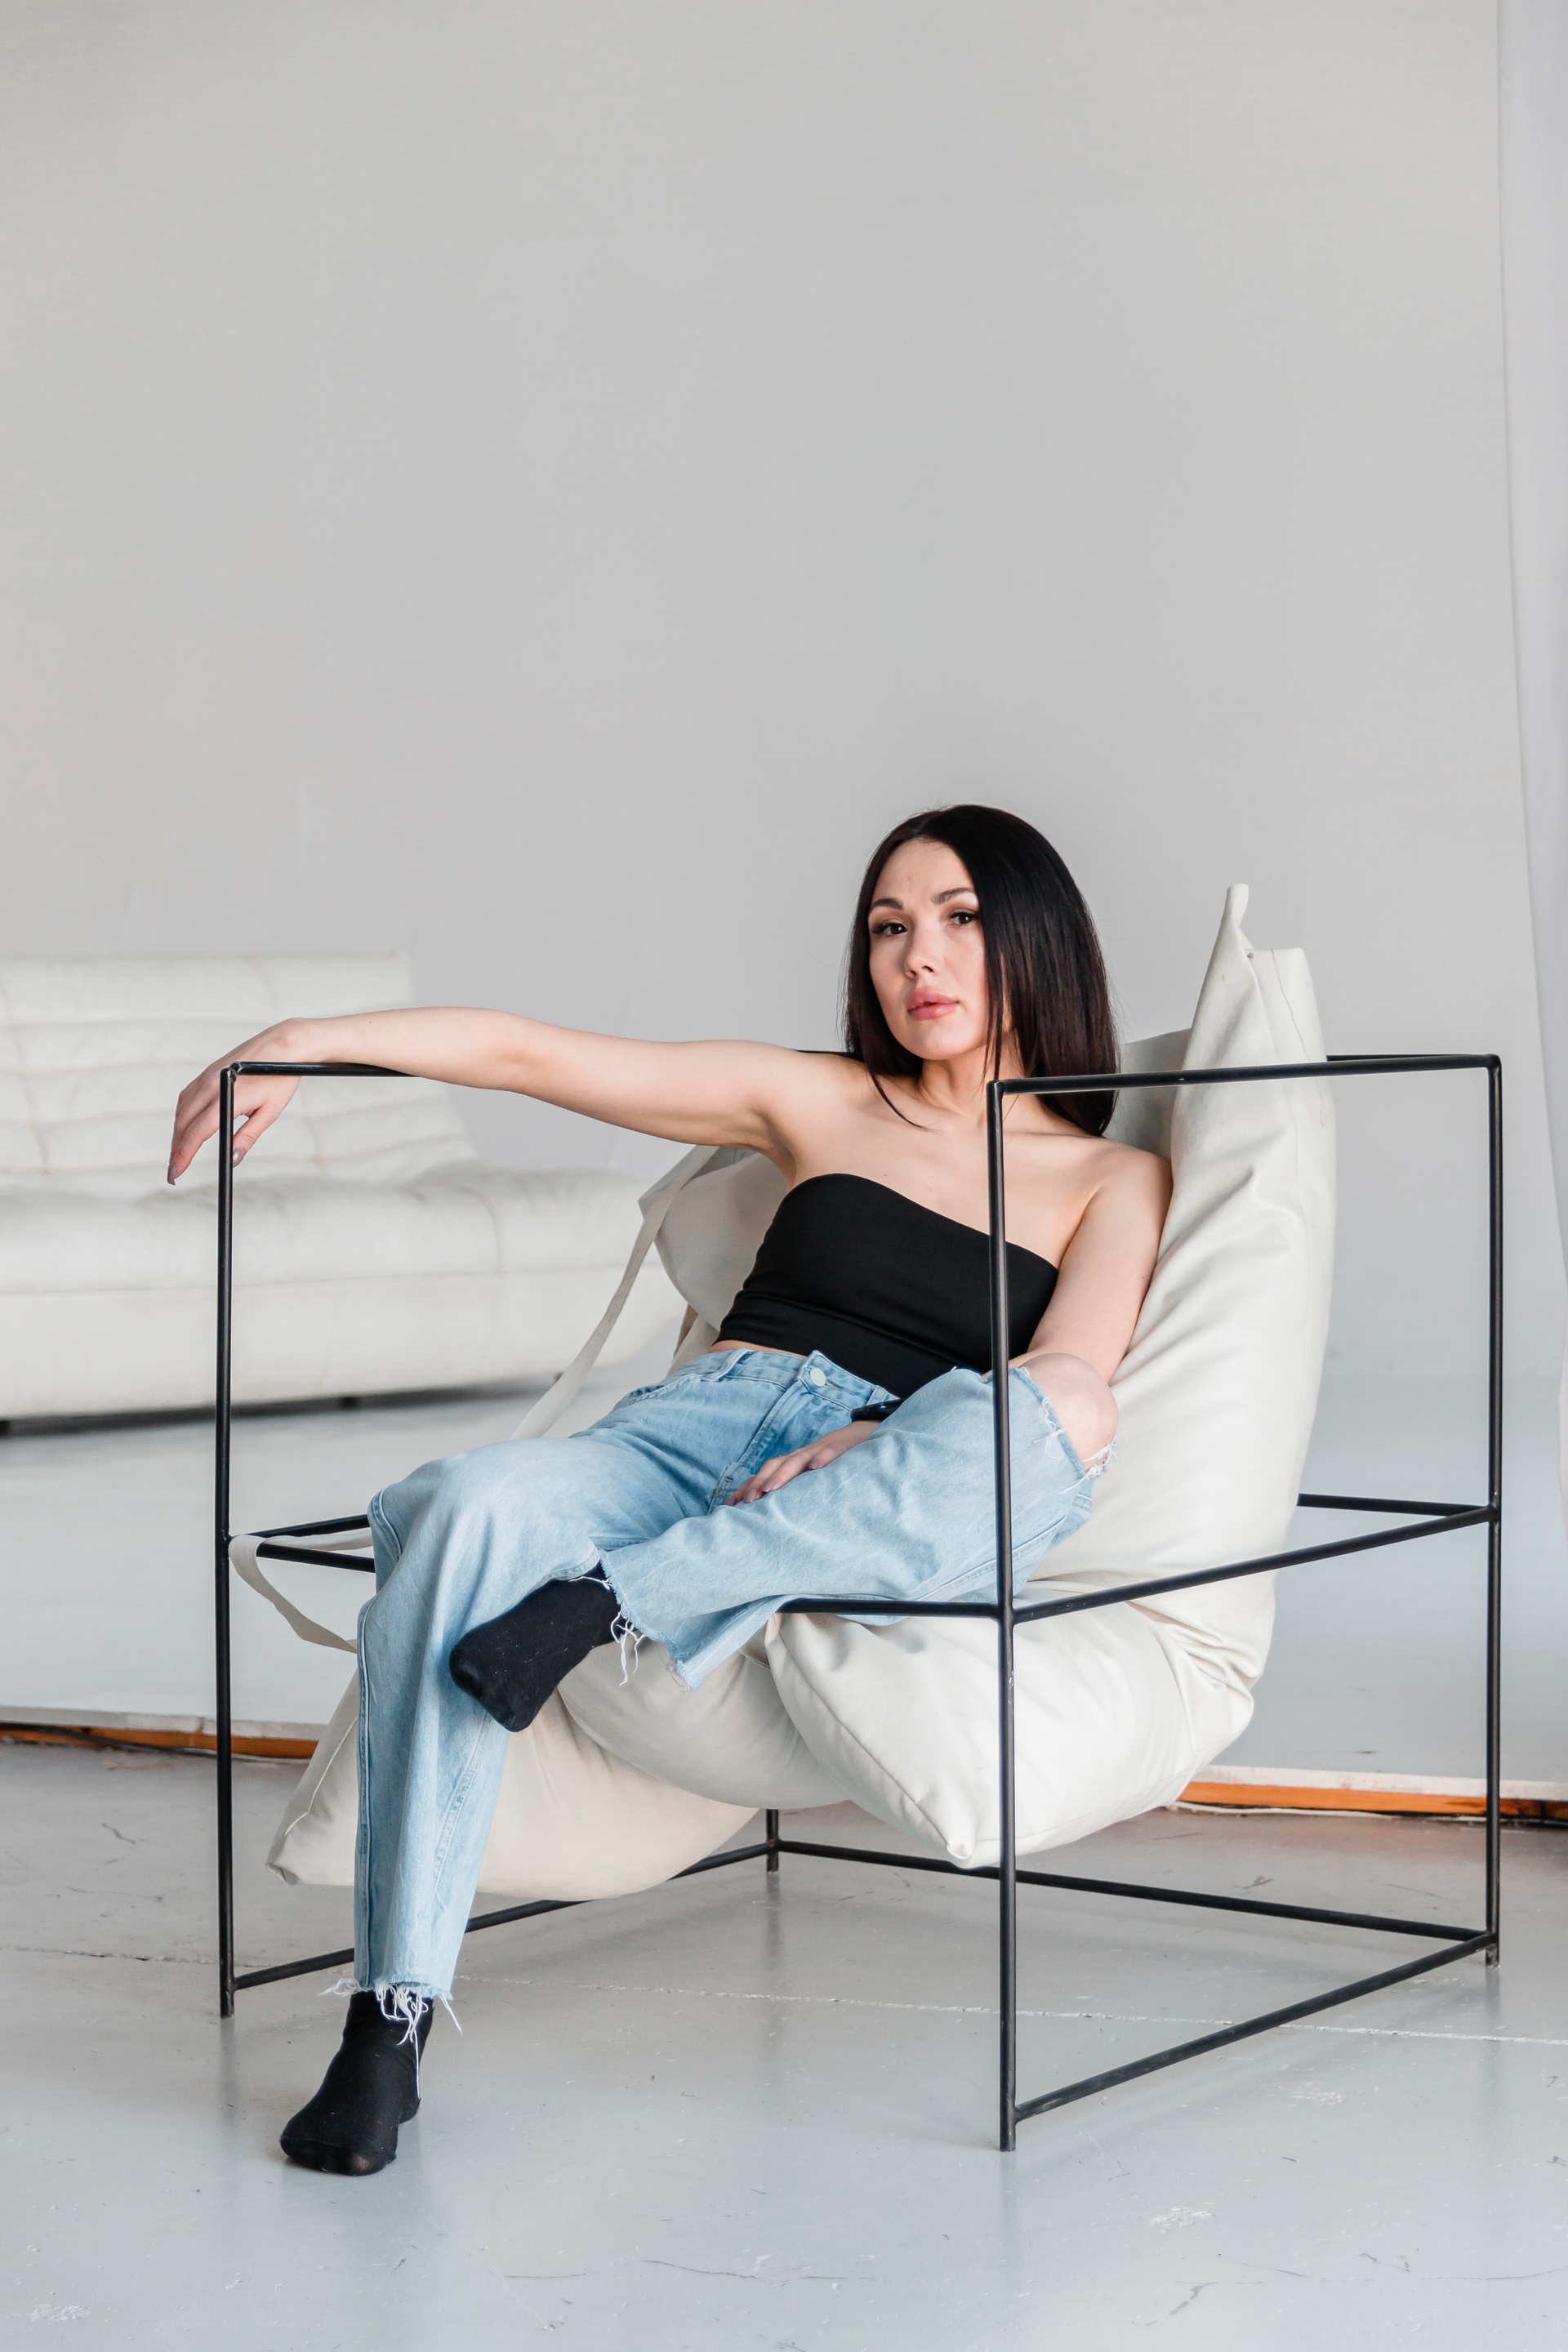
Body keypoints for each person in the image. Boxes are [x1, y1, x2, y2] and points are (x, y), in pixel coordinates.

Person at [168, 804, 1170, 2174]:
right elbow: (532, 1054)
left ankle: (609, 1600)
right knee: (461, 1505)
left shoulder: (1113, 1176)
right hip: (691, 1440)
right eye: (888, 928)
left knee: (1070, 1413)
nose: (918, 959)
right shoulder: (818, 1099)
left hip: (877, 1480)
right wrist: (304, 1040)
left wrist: (877, 1441)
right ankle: (386, 2022)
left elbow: (1065, 1379)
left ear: (1039, 939)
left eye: (959, 920)